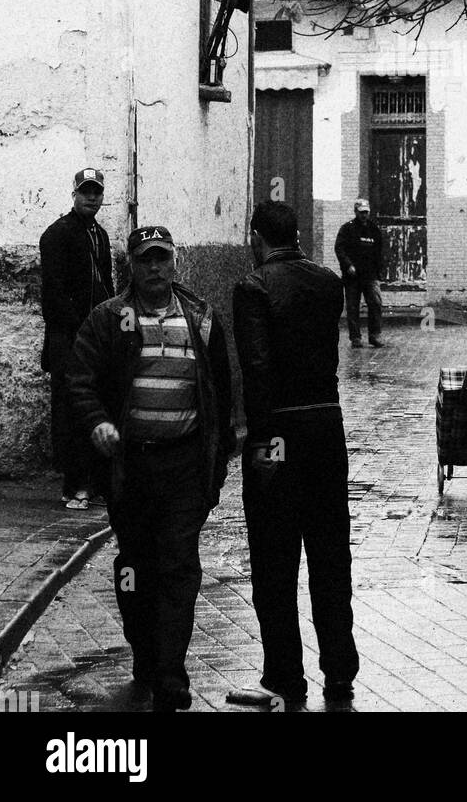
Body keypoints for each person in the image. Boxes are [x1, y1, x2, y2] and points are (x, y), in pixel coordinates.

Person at [66, 225, 233, 713]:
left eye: (162, 259)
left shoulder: (201, 319)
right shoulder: (108, 319)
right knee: (134, 568)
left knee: (179, 566)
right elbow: (78, 379)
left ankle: (170, 674)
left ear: (175, 262)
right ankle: (144, 648)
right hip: (131, 468)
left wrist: (215, 470)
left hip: (182, 464)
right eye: (145, 261)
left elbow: (222, 399)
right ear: (132, 267)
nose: (155, 268)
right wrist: (97, 422)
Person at [233, 201, 359, 707]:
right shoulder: (329, 283)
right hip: (327, 424)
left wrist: (259, 442)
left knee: (274, 558)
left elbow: (257, 367)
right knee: (331, 554)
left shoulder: (253, 287)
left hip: (279, 429)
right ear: (299, 234)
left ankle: (284, 675)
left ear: (256, 237)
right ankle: (340, 671)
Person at [39, 167, 114, 509]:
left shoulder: (100, 235)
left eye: (96, 192)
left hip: (94, 338)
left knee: (95, 405)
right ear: (74, 194)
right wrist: (78, 332)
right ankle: (75, 485)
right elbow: (53, 294)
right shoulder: (57, 234)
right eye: (85, 191)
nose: (91, 197)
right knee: (69, 411)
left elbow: (106, 288)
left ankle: (94, 481)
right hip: (68, 339)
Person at [334, 198, 384, 348]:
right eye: (361, 212)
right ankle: (355, 337)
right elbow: (339, 249)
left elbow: (379, 251)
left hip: (370, 275)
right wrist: (348, 265)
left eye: (366, 212)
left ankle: (374, 335)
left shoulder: (374, 229)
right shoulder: (347, 229)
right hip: (352, 277)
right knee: (352, 306)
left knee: (375, 303)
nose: (364, 215)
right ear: (356, 212)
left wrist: (377, 272)